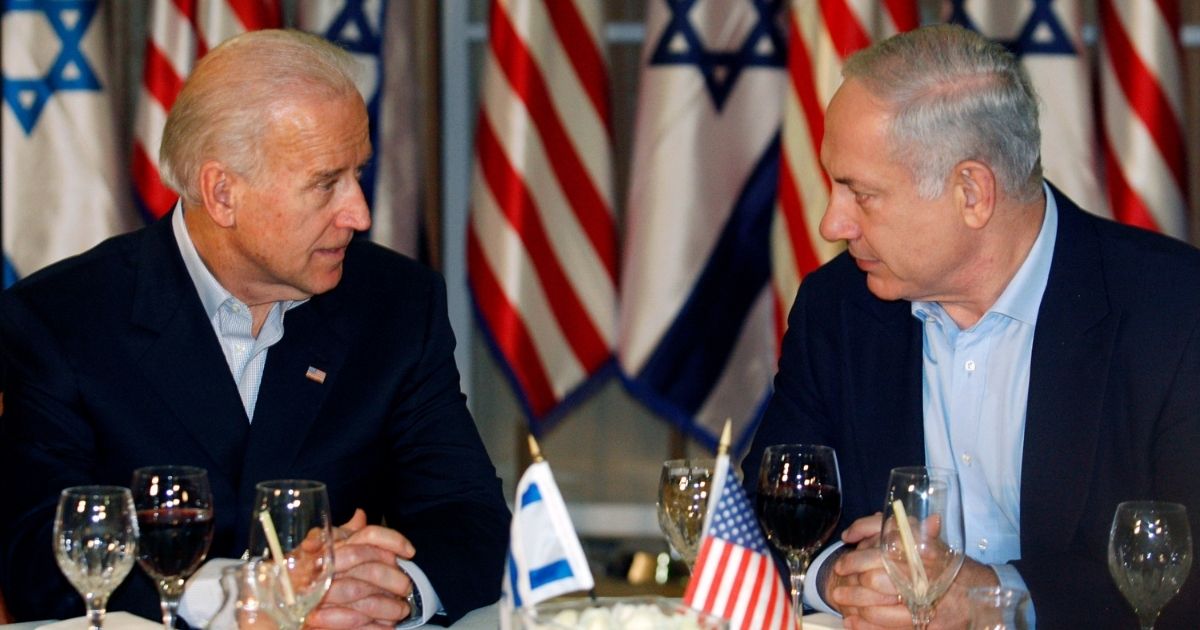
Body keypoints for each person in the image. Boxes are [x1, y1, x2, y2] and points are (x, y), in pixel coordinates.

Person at [0, 29, 510, 626]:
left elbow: (468, 514)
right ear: (222, 193)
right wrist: (244, 598)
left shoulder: (395, 305)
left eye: (358, 175)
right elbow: (37, 556)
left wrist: (387, 590)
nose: (360, 213)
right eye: (326, 184)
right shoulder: (60, 320)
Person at [743, 24, 1200, 629]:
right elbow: (762, 514)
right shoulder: (838, 308)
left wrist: (992, 598)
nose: (832, 223)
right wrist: (837, 577)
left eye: (862, 193)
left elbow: (1185, 575)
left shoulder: (1173, 310)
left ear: (972, 192)